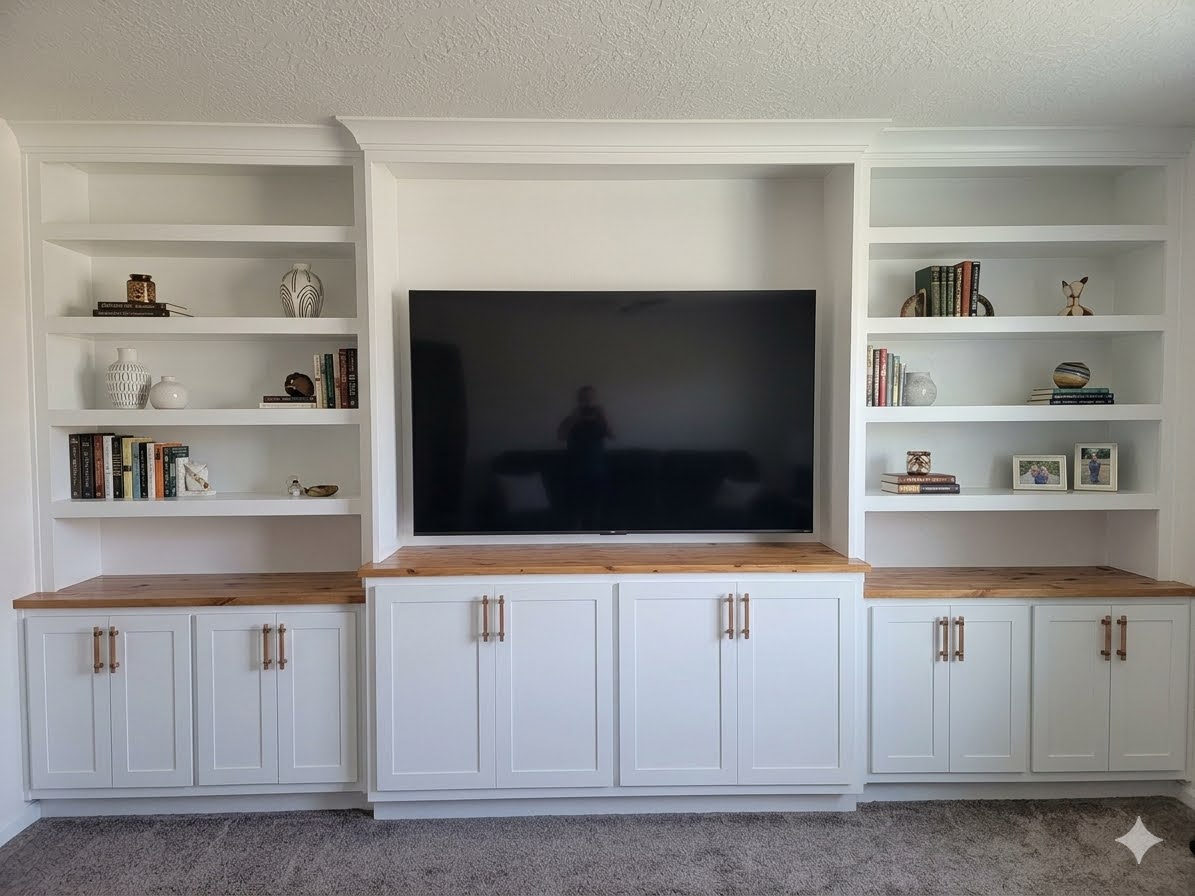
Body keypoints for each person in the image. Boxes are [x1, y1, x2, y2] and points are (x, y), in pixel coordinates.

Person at [558, 386, 614, 529]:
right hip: (575, 471)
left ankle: (595, 540)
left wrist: (604, 417)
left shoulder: (600, 420)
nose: (587, 402)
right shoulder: (571, 418)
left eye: (590, 398)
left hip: (597, 470)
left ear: (595, 400)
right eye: (584, 398)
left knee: (596, 512)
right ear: (578, 400)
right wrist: (574, 418)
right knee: (576, 512)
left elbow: (612, 436)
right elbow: (561, 436)